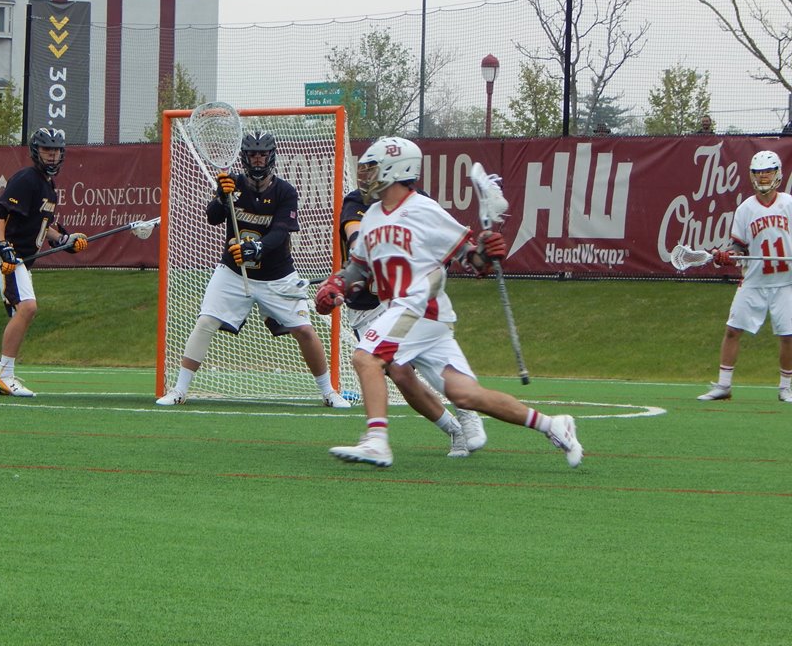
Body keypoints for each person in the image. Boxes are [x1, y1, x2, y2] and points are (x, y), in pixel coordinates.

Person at [315, 136, 583, 468]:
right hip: (416, 312)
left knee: (366, 357)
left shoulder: (423, 209)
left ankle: (377, 441)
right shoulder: (371, 216)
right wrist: (336, 284)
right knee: (466, 394)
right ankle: (553, 425)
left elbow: (469, 255)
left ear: (395, 169)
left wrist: (485, 253)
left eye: (372, 168)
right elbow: (360, 266)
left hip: (419, 304)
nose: (365, 176)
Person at [156, 131, 352, 409]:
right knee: (205, 322)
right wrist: (222, 198)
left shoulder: (285, 191)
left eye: (262, 153)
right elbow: (213, 218)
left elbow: (282, 231)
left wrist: (257, 247)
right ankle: (179, 390)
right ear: (245, 157)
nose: (257, 159)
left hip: (278, 275)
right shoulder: (231, 183)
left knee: (305, 331)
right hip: (233, 272)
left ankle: (328, 392)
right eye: (252, 154)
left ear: (271, 156)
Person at [340, 184, 487, 457]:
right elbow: (355, 236)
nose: (368, 174)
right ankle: (454, 430)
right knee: (400, 374)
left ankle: (465, 411)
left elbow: (447, 248)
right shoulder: (358, 202)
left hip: (405, 300)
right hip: (366, 307)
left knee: (410, 366)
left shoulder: (420, 204)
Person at [0, 127, 89, 397]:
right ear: (36, 151)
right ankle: (4, 376)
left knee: (20, 312)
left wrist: (65, 240)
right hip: (8, 257)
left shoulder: (48, 187)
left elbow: (44, 227)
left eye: (56, 151)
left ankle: (5, 375)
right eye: (47, 150)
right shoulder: (28, 179)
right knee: (27, 308)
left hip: (22, 258)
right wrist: (3, 247)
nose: (52, 156)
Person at [698, 150, 792, 403]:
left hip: (786, 282)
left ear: (778, 174)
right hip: (754, 279)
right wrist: (727, 255)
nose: (763, 179)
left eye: (768, 173)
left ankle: (786, 387)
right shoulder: (745, 209)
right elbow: (739, 247)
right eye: (759, 174)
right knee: (732, 330)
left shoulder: (789, 204)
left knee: (788, 335)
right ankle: (724, 385)